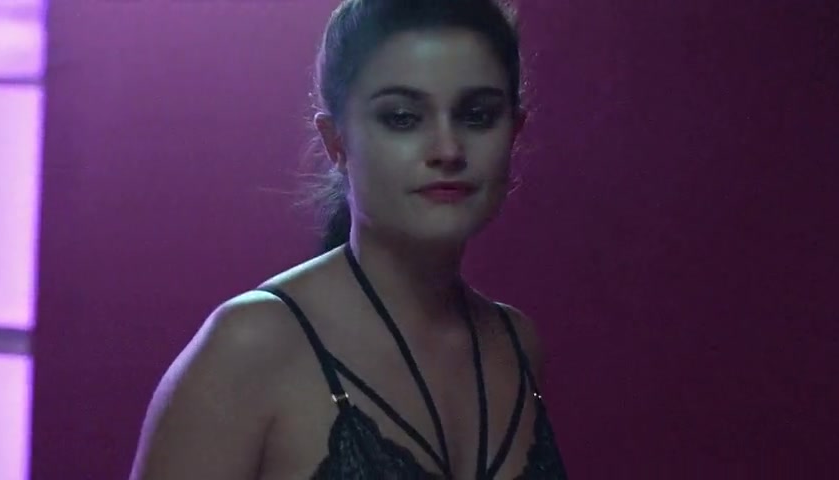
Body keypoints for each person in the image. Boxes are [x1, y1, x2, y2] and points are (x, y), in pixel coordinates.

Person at [129, 0, 568, 478]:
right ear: (336, 141)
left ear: (514, 131)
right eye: (402, 117)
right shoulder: (252, 345)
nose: (448, 149)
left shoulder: (516, 344)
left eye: (478, 116)